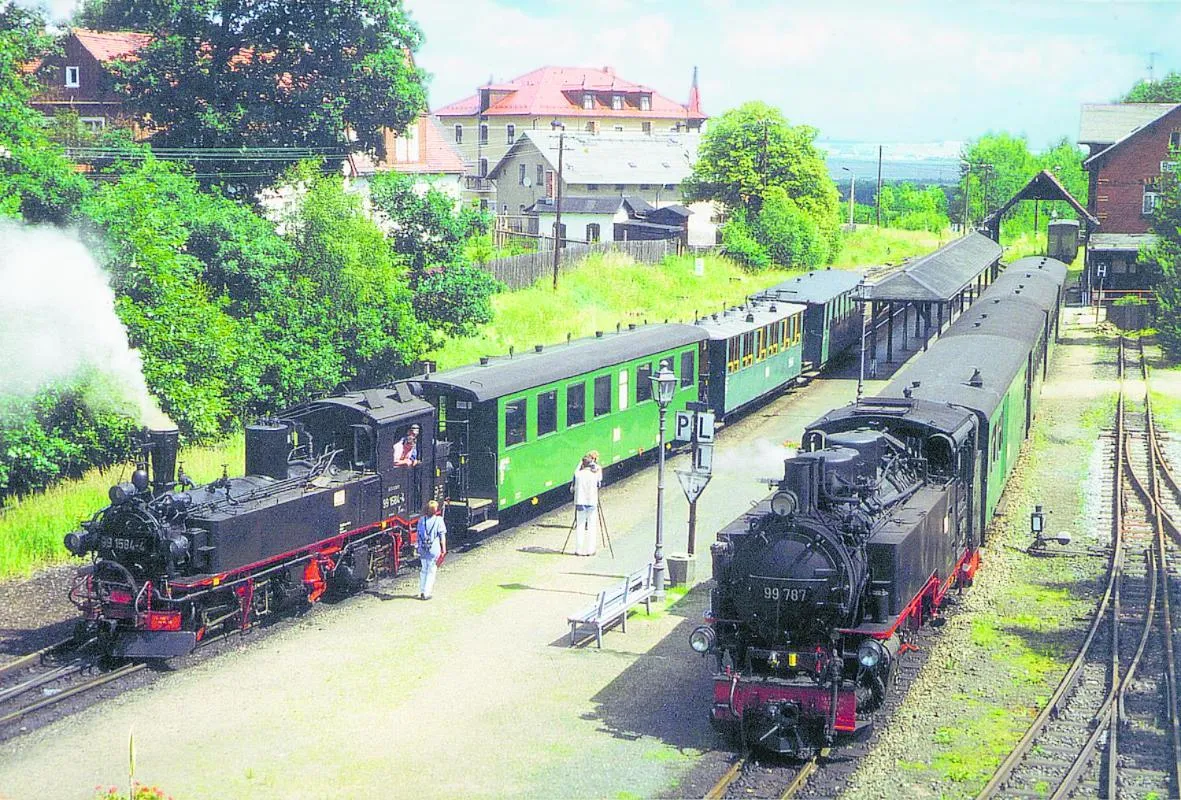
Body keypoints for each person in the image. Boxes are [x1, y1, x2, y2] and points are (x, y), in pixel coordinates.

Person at [571, 450, 602, 556]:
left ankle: (578, 550)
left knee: (580, 526)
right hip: (592, 502)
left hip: (580, 502)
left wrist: (581, 463)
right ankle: (590, 550)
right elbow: (599, 478)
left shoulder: (579, 474)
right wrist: (595, 465)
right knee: (592, 526)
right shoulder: (595, 475)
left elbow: (575, 472)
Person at [416, 499, 447, 600]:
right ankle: (426, 593)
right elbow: (442, 537)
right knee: (431, 570)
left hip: (423, 549)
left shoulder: (421, 520)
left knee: (423, 570)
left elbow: (418, 535)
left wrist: (418, 547)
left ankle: (421, 591)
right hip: (433, 549)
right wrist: (444, 549)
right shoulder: (439, 520)